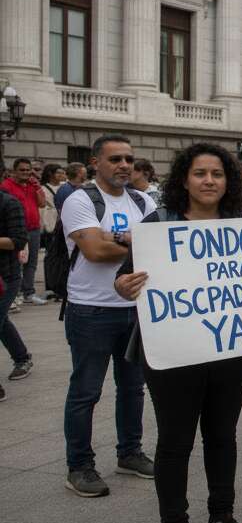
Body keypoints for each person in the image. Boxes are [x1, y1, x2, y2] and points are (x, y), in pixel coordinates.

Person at [113, 143, 242, 523]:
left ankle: (221, 516)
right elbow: (126, 278)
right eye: (200, 173)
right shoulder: (157, 225)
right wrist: (124, 287)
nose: (209, 181)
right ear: (184, 179)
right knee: (175, 442)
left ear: (228, 181)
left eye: (217, 174)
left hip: (230, 351)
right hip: (172, 354)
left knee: (222, 435)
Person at [61, 134, 156, 496]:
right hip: (92, 310)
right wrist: (133, 240)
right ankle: (79, 466)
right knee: (86, 392)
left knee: (133, 388)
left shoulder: (142, 199)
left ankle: (129, 453)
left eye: (129, 159)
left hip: (135, 308)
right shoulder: (80, 199)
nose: (124, 166)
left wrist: (114, 237)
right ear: (95, 163)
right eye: (115, 159)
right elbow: (94, 251)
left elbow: (157, 244)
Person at [0, 181, 32, 392]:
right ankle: (22, 357)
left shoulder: (9, 203)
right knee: (2, 320)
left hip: (6, 276)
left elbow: (19, 240)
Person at [2, 157, 47, 306]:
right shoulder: (6, 186)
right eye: (22, 170)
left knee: (31, 263)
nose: (26, 173)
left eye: (28, 170)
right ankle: (15, 294)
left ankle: (29, 292)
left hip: (33, 229)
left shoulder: (32, 185)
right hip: (15, 232)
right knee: (16, 262)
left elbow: (41, 204)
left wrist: (38, 187)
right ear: (14, 171)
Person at [39, 163, 65, 249]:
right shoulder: (42, 189)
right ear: (50, 174)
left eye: (62, 172)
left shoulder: (65, 187)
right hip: (51, 224)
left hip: (64, 224)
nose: (62, 175)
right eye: (58, 173)